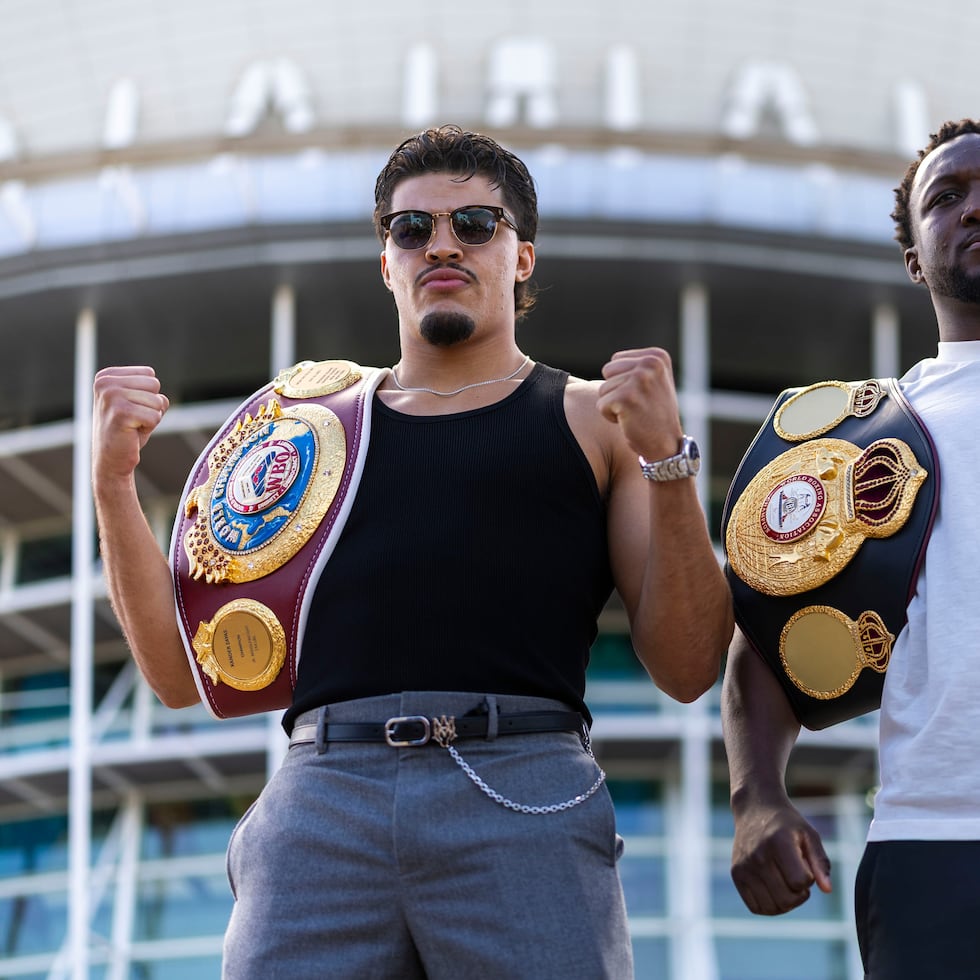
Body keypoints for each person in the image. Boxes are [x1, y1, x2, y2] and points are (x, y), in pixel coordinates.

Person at [92, 124, 733, 979]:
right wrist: (112, 485)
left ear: (523, 256)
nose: (441, 243)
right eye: (410, 228)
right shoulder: (305, 432)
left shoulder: (593, 420)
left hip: (523, 786)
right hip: (322, 798)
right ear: (384, 260)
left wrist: (668, 462)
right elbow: (178, 678)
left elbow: (690, 665)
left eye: (475, 224)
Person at [722, 117, 980, 979]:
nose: (974, 207)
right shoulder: (864, 439)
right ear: (916, 256)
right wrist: (757, 798)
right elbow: (765, 635)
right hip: (937, 844)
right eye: (948, 197)